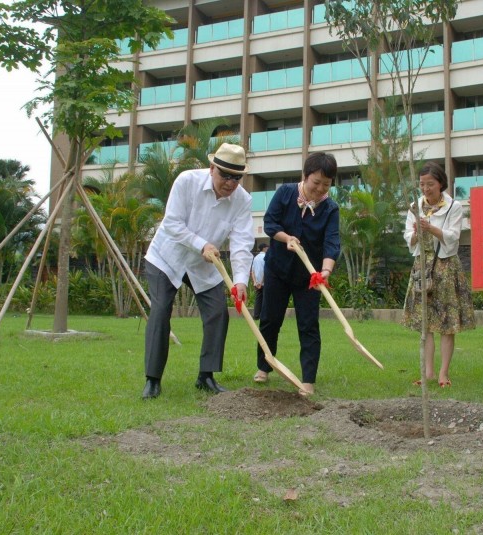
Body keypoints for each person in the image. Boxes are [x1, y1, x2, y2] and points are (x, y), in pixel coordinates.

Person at [141, 143, 254, 399]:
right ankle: (153, 379)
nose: (230, 182)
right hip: (167, 257)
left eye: (236, 177)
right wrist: (200, 244)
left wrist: (240, 282)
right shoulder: (187, 181)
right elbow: (171, 223)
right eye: (225, 175)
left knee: (217, 313)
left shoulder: (242, 200)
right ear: (212, 168)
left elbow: (241, 244)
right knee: (160, 311)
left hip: (203, 266)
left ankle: (206, 376)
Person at [252, 152, 340, 396]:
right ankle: (264, 366)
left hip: (309, 278)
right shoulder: (286, 193)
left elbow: (332, 242)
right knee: (270, 319)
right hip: (277, 270)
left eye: (326, 184)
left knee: (308, 325)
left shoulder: (330, 208)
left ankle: (308, 380)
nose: (320, 189)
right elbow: (270, 224)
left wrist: (325, 271)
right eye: (316, 182)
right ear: (305, 176)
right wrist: (286, 238)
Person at [403, 161, 476, 388]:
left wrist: (431, 228)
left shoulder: (453, 206)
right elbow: (408, 238)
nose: (426, 189)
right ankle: (428, 373)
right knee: (425, 324)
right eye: (422, 184)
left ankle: (443, 374)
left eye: (430, 184)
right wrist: (415, 233)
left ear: (441, 183)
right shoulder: (415, 206)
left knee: (446, 323)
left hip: (445, 267)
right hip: (421, 267)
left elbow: (454, 237)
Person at [251, 242, 269, 319]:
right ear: (264, 248)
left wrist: (255, 282)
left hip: (257, 283)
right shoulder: (266, 257)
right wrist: (261, 282)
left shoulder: (256, 258)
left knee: (258, 300)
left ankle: (256, 315)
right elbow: (266, 271)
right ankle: (264, 316)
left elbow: (252, 271)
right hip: (264, 282)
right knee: (266, 299)